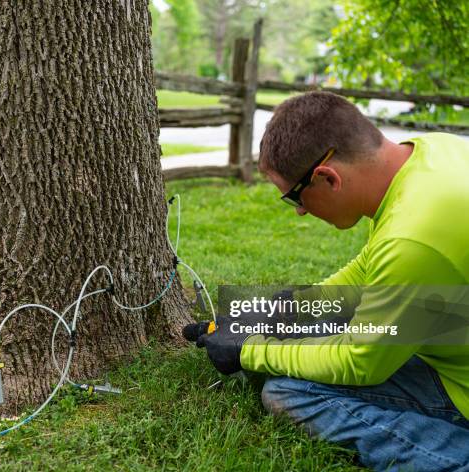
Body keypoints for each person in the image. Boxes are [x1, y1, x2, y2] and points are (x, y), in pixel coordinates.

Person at [184, 92, 469, 472]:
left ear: (326, 177)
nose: (301, 211)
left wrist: (247, 351)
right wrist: (278, 314)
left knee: (289, 391)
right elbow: (366, 272)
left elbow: (362, 363)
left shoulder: (412, 239)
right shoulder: (434, 153)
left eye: (294, 198)